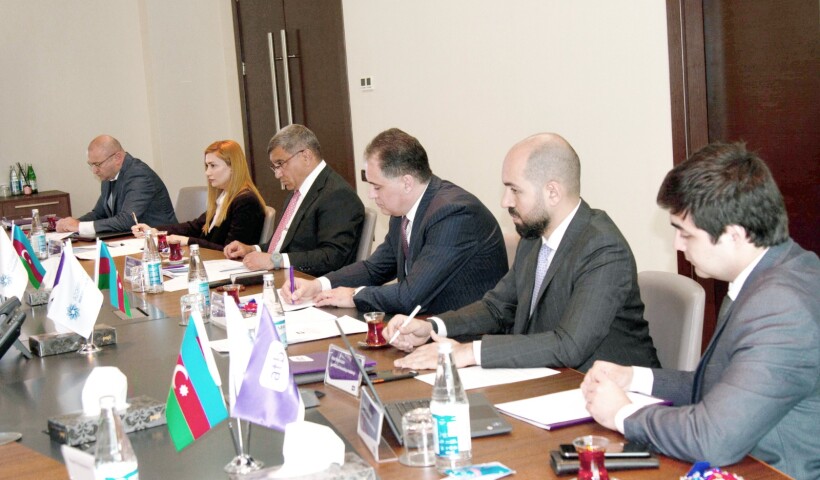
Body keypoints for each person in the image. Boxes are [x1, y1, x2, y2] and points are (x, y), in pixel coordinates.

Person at [581, 143, 819, 479]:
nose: (677, 244)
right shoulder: (774, 271)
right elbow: (720, 385)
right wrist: (633, 377)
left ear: (734, 235)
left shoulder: (782, 308)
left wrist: (623, 414)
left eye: (686, 233)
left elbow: (712, 438)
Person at [385, 133, 659, 371]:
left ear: (552, 192)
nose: (505, 201)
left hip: (614, 393)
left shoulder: (603, 249)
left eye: (514, 190)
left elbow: (569, 346)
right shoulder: (533, 236)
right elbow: (496, 308)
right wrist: (432, 327)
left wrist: (469, 353)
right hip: (552, 381)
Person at [284, 128, 508, 316]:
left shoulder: (454, 214)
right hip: (422, 323)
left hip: (462, 335)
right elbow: (375, 268)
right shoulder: (402, 211)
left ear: (407, 183)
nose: (371, 195)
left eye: (377, 187)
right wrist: (318, 285)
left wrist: (354, 295)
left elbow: (411, 296)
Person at [223, 124, 364, 277]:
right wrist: (252, 249)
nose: (277, 174)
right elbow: (282, 246)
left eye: (280, 164)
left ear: (306, 156)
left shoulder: (337, 195)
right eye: (275, 167)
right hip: (284, 277)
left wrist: (275, 260)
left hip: (310, 283)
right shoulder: (297, 192)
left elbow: (331, 257)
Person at [131, 140, 265, 250]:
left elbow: (231, 250)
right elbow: (195, 226)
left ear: (233, 167)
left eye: (213, 166)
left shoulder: (246, 201)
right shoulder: (225, 196)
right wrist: (155, 230)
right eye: (207, 166)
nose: (207, 172)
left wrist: (187, 241)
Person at [56, 135, 177, 234]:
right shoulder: (108, 176)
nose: (94, 171)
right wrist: (72, 224)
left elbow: (127, 220)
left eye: (97, 164)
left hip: (159, 242)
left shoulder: (139, 175)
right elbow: (99, 214)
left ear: (117, 158)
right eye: (91, 165)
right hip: (130, 240)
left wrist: (80, 227)